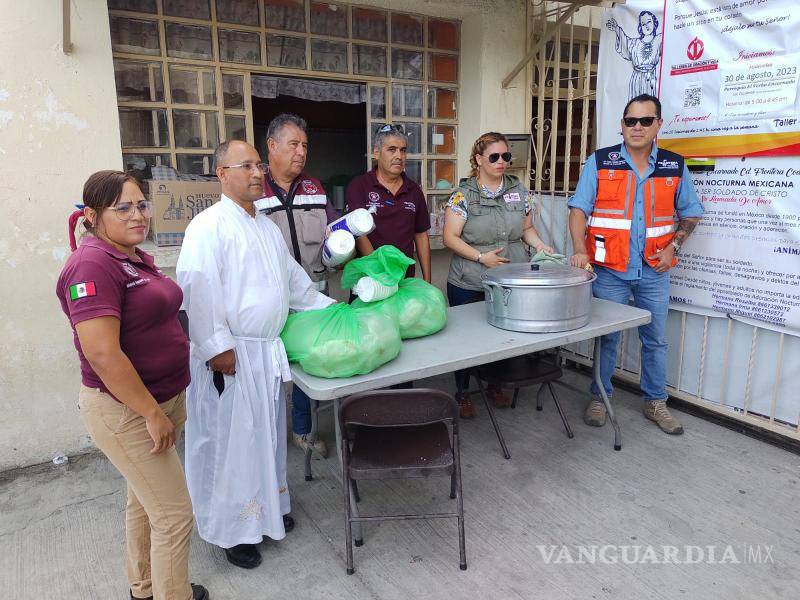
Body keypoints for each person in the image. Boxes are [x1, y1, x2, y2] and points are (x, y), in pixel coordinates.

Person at [176, 140, 334, 570]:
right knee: (231, 445)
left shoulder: (265, 226)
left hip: (264, 354)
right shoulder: (207, 226)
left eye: (257, 165)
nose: (255, 172)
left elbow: (295, 283)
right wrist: (216, 348)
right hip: (230, 355)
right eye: (243, 165)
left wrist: (332, 311)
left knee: (264, 436)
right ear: (221, 173)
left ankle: (267, 510)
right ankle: (234, 531)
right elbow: (197, 289)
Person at [56, 171, 208, 600]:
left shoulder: (129, 256)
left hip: (161, 400)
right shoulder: (92, 265)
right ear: (91, 215)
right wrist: (150, 413)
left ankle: (145, 588)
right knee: (175, 516)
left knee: (145, 503)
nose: (138, 214)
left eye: (142, 204)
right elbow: (103, 354)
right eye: (123, 207)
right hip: (129, 411)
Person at [568, 93, 703, 435]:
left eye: (646, 120)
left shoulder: (673, 165)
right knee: (607, 338)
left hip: (654, 271)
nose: (638, 127)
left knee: (655, 339)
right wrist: (578, 249)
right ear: (622, 125)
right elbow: (578, 210)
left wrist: (674, 247)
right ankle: (600, 396)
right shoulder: (600, 162)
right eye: (631, 121)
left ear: (659, 124)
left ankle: (655, 402)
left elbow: (690, 213)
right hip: (610, 270)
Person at [443, 132, 554, 419]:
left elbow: (526, 229)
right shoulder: (463, 195)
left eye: (506, 156)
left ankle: (494, 384)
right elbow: (450, 238)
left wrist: (541, 246)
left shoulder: (520, 191)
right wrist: (482, 257)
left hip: (509, 279)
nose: (502, 162)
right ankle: (463, 392)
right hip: (469, 280)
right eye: (494, 157)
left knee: (502, 337)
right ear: (479, 159)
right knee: (467, 340)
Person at [259, 113, 339, 458]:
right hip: (268, 301)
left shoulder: (315, 189)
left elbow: (335, 231)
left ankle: (303, 430)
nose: (301, 152)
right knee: (266, 370)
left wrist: (342, 244)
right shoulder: (252, 188)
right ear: (272, 146)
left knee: (310, 362)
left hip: (314, 296)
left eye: (305, 145)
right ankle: (265, 436)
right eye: (293, 144)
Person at [345, 124, 432, 282]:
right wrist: (381, 272)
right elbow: (359, 234)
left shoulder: (414, 190)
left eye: (403, 150)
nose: (399, 156)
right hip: (369, 279)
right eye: (392, 149)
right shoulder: (359, 186)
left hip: (403, 279)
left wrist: (427, 280)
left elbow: (420, 235)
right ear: (377, 153)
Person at [606, 10, 662, 100]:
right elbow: (625, 41)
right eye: (643, 24)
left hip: (651, 78)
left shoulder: (659, 39)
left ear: (654, 23)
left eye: (649, 22)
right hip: (637, 79)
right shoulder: (635, 43)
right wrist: (616, 28)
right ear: (640, 26)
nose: (647, 26)